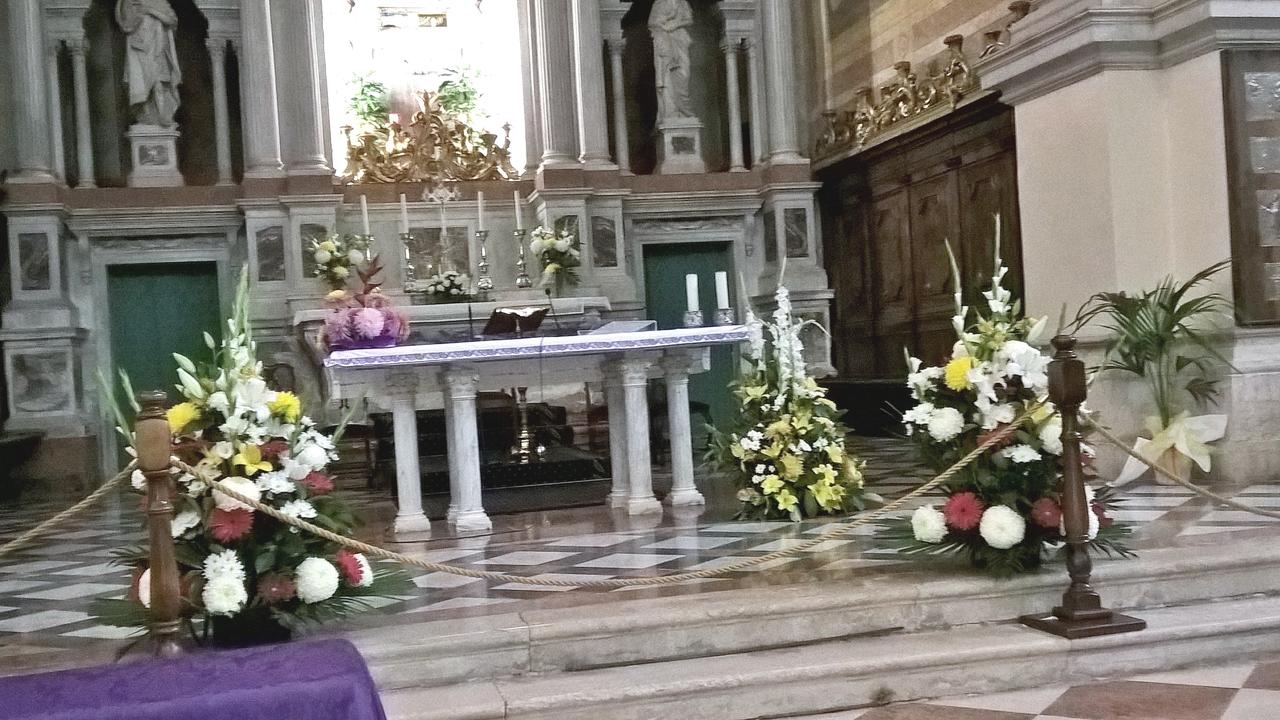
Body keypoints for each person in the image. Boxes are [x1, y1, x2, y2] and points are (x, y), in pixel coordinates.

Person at [116, 0, 183, 127]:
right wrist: (136, 15)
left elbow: (171, 20)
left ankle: (162, 115)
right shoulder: (131, 2)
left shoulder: (159, 1)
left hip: (158, 50)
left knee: (159, 83)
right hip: (140, 50)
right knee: (142, 85)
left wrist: (150, 10)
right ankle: (146, 116)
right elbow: (126, 25)